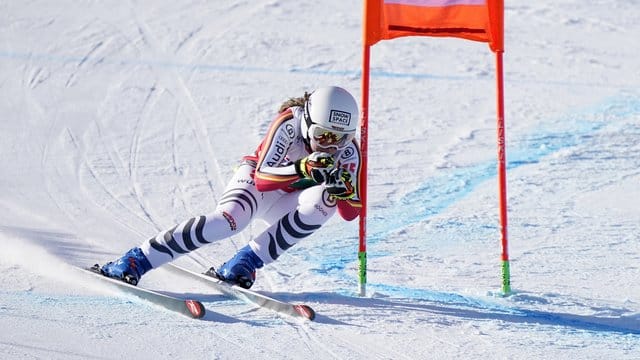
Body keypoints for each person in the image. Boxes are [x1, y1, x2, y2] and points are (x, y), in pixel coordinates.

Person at [99, 86, 362, 289]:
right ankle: (137, 259)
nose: (332, 145)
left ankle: (244, 262)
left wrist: (343, 191)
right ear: (307, 123)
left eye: (342, 138)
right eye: (323, 135)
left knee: (327, 199)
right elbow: (262, 177)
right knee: (229, 221)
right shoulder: (289, 124)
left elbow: (351, 214)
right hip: (259, 185)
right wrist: (301, 168)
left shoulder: (349, 153)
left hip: (289, 201)